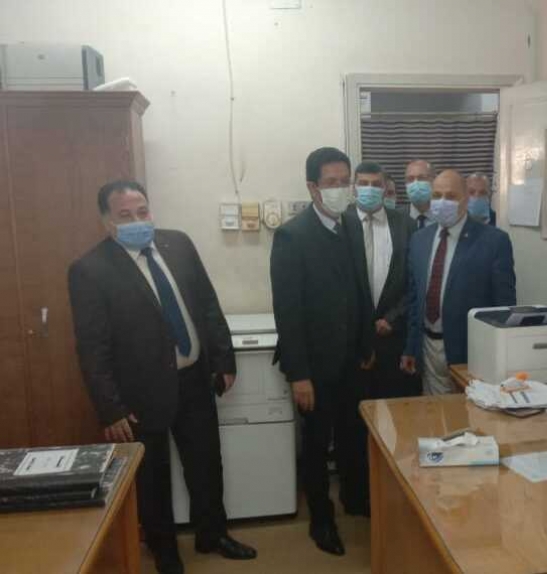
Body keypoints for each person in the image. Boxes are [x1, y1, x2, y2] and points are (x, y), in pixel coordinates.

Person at [68, 181, 257, 574]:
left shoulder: (179, 244)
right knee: (152, 479)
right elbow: (92, 348)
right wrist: (110, 408)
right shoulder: (90, 270)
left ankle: (212, 534)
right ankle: (164, 550)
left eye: (142, 211)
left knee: (206, 466)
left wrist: (224, 360)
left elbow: (207, 304)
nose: (137, 220)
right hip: (140, 394)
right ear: (106, 221)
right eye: (125, 215)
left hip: (194, 381)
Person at [270, 147, 374, 556]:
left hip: (352, 361)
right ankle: (321, 519)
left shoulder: (350, 225)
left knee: (352, 435)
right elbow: (288, 313)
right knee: (316, 445)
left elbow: (360, 289)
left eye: (345, 181)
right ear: (313, 187)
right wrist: (299, 375)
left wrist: (366, 343)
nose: (340, 189)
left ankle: (354, 497)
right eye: (332, 182)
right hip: (314, 368)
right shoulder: (292, 236)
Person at [401, 170, 517, 395]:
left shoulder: (494, 242)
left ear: (466, 199)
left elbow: (504, 307)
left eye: (451, 196)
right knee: (434, 412)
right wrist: (411, 347)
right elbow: (415, 299)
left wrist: (495, 358)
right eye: (437, 196)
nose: (442, 202)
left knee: (468, 414)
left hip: (470, 355)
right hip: (427, 348)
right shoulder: (419, 240)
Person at [345, 161, 420, 399]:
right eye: (363, 183)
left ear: (385, 187)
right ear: (354, 187)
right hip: (351, 342)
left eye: (376, 184)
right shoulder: (340, 224)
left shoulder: (406, 225)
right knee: (353, 412)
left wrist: (392, 318)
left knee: (393, 411)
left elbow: (415, 281)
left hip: (393, 340)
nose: (369, 188)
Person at [405, 159, 435, 230]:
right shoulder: (396, 219)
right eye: (410, 179)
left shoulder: (445, 217)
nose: (415, 183)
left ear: (434, 181)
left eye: (422, 178)